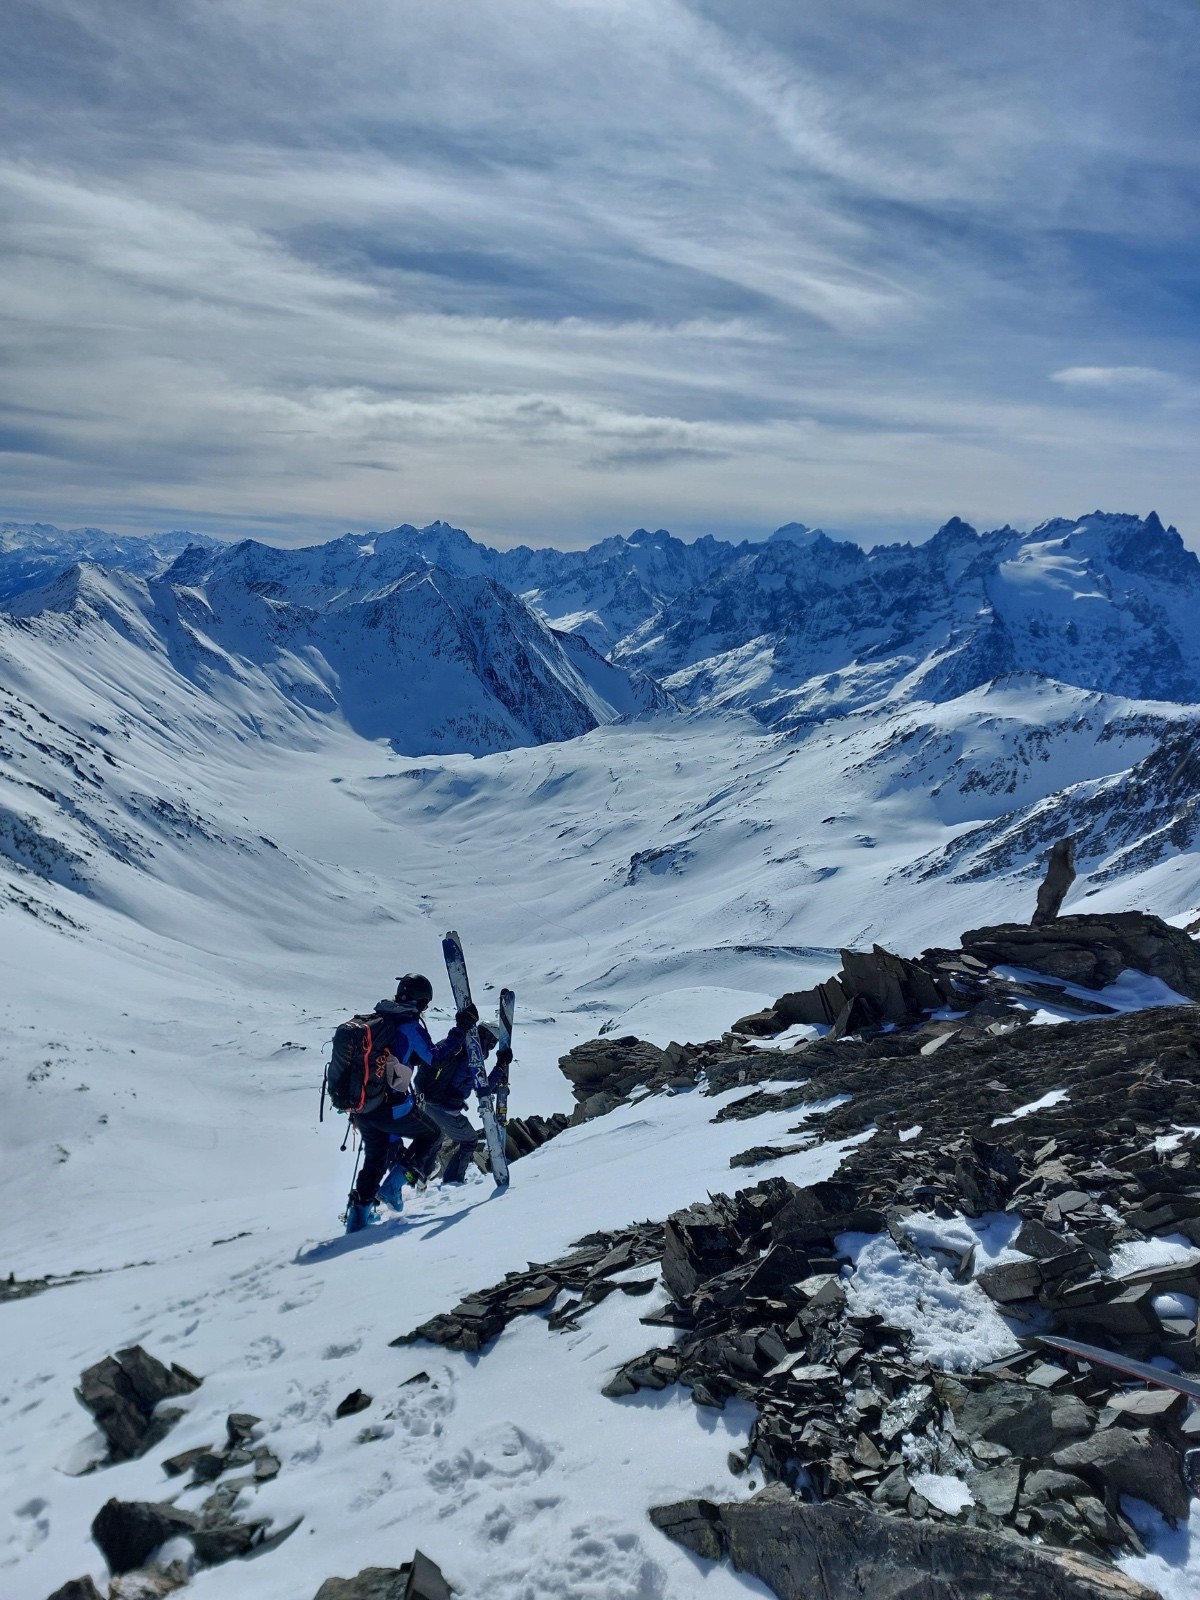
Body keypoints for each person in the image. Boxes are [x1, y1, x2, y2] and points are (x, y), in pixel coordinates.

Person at [344, 972, 472, 1232]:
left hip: (363, 1106)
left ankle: (357, 1222)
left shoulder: (381, 1019)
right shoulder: (409, 1025)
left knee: (376, 1159)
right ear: (422, 1001)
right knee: (432, 1136)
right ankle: (393, 1188)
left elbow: (398, 1055)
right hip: (390, 1106)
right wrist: (460, 1030)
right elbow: (435, 1058)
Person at [406, 1012, 513, 1186]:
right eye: (492, 1045)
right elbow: (483, 1087)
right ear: (489, 1040)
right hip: (444, 1107)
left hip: (427, 1102)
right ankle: (453, 1182)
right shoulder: (470, 1057)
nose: (490, 1049)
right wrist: (501, 1065)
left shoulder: (460, 1048)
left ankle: (417, 1178)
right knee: (469, 1141)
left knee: (436, 1138)